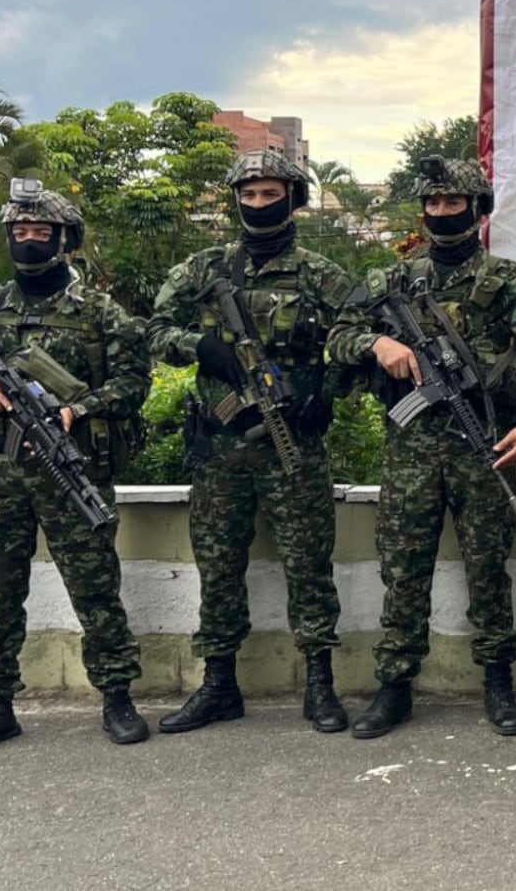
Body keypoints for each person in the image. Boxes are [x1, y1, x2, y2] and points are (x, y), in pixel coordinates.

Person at [326, 156, 516, 738]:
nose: (440, 213)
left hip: (486, 446)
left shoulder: (510, 282)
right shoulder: (393, 281)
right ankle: (395, 686)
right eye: (432, 204)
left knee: (488, 571)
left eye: (452, 203)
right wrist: (378, 342)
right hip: (412, 451)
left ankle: (499, 682)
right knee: (403, 572)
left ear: (476, 209)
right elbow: (337, 337)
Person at [0, 180, 152, 755]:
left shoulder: (99, 312)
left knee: (96, 589)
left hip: (68, 469)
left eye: (40, 232)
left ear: (64, 239)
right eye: (19, 233)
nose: (28, 241)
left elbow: (133, 383)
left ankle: (117, 696)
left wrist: (80, 408)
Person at [148, 150, 354, 735]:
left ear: (293, 198)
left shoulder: (321, 274)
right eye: (249, 194)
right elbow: (153, 330)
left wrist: (326, 392)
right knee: (218, 567)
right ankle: (218, 685)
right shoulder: (203, 268)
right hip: (222, 450)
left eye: (270, 194)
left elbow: (360, 336)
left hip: (296, 448)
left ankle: (320, 683)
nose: (258, 204)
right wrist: (201, 348)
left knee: (309, 566)